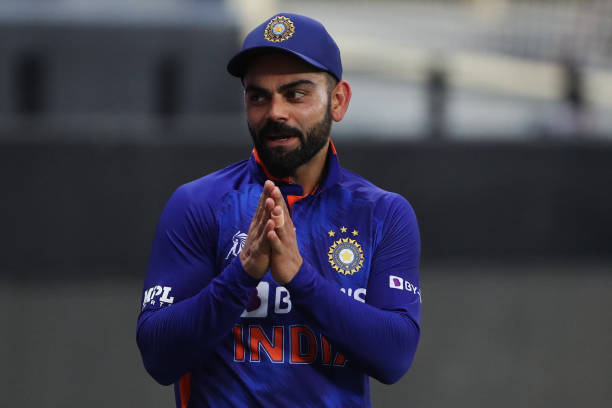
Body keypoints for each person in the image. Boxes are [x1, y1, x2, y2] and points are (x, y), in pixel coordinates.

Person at [137, 13, 422, 407]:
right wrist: (241, 276)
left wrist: (300, 279)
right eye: (259, 96)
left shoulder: (381, 213)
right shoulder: (199, 204)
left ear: (337, 101)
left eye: (296, 94)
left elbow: (394, 356)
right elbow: (158, 355)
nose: (275, 113)